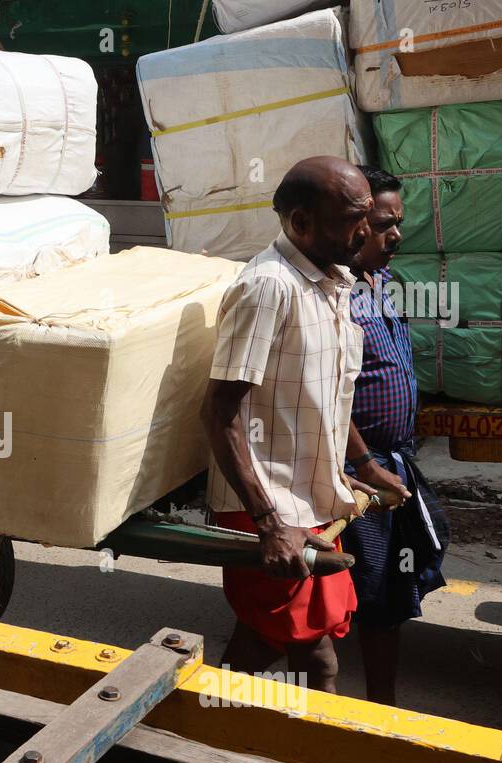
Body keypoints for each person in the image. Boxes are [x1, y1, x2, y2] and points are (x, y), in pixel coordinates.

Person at [201, 156, 391, 694]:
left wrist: (354, 469)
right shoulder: (268, 288)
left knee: (263, 642)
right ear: (301, 223)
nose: (367, 229)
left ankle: (192, 736)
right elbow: (219, 413)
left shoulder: (334, 282)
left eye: (368, 215)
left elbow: (324, 396)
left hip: (310, 503)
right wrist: (268, 523)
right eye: (353, 217)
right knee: (317, 659)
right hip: (268, 508)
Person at [343, 166, 449, 706]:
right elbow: (321, 401)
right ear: (351, 224)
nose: (396, 235)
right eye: (384, 224)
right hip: (355, 471)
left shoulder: (381, 283)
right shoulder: (332, 296)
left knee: (389, 593)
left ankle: (380, 704)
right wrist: (366, 467)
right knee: (359, 597)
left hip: (391, 463)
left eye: (398, 223)